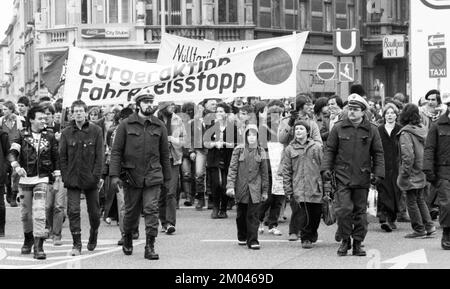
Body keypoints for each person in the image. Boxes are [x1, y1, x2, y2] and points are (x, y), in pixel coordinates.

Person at [109, 89, 171, 260]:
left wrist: (167, 178)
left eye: (151, 102)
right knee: (130, 211)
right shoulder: (125, 125)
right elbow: (116, 152)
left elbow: (165, 154)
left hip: (153, 174)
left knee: (151, 209)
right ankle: (127, 236)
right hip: (131, 175)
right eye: (146, 102)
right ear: (138, 105)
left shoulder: (159, 125)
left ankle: (150, 245)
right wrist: (114, 176)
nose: (149, 105)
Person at [322, 94, 385, 257]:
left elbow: (378, 153)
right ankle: (345, 240)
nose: (351, 112)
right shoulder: (338, 127)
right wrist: (326, 168)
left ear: (363, 112)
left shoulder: (372, 129)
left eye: (355, 109)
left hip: (362, 176)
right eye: (350, 109)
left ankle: (357, 243)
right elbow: (330, 150)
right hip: (342, 176)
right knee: (343, 210)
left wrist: (378, 173)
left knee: (360, 212)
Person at [9, 104, 59, 260]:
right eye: (40, 118)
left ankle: (39, 246)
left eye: (45, 118)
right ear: (31, 120)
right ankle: (28, 239)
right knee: (25, 215)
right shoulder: (21, 134)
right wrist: (16, 166)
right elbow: (12, 153)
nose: (44, 120)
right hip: (24, 180)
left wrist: (56, 177)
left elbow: (56, 158)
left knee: (39, 211)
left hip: (42, 179)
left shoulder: (49, 136)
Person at [60, 100, 104, 256]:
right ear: (72, 113)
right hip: (72, 178)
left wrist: (96, 176)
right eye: (75, 111)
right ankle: (76, 244)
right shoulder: (66, 132)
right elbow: (62, 157)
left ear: (86, 113)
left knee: (94, 212)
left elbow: (100, 157)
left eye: (81, 110)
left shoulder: (96, 130)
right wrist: (65, 176)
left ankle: (94, 233)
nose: (78, 113)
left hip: (90, 178)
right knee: (73, 211)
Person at [226, 124, 269, 250]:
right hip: (241, 187)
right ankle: (242, 235)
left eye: (254, 135)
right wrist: (230, 185)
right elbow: (233, 168)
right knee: (241, 215)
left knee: (253, 214)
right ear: (245, 136)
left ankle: (253, 240)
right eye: (249, 135)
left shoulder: (261, 151)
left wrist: (265, 190)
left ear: (258, 136)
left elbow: (264, 173)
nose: (251, 137)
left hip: (255, 188)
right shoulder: (238, 150)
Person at [283, 120, 323, 249]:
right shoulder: (290, 149)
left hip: (315, 187)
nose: (298, 131)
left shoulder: (316, 147)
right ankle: (305, 238)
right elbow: (287, 171)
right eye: (297, 129)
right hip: (299, 188)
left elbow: (324, 168)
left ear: (307, 132)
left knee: (315, 214)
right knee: (303, 215)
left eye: (301, 129)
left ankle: (312, 231)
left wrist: (327, 187)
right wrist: (288, 190)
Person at [397, 104, 436, 239]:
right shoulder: (423, 129)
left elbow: (408, 156)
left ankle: (419, 229)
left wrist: (404, 174)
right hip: (422, 169)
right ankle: (429, 226)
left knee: (411, 200)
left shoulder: (406, 133)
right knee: (420, 199)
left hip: (412, 171)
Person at [424, 94, 450, 250]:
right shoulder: (437, 125)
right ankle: (447, 232)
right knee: (447, 203)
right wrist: (429, 170)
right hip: (444, 171)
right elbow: (429, 149)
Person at [157, 101, 186, 234]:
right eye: (170, 104)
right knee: (161, 193)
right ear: (163, 106)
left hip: (173, 160)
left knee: (170, 192)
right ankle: (163, 222)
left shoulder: (177, 119)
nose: (173, 107)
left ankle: (170, 223)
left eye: (174, 104)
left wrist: (173, 140)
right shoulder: (154, 119)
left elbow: (184, 139)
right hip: (156, 161)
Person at [204, 102, 237, 219]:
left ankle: (223, 208)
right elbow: (205, 143)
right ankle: (215, 207)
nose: (218, 113)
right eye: (217, 111)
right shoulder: (211, 125)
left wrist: (225, 143)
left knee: (225, 185)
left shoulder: (232, 126)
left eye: (221, 111)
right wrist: (214, 144)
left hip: (228, 158)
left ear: (226, 113)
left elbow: (236, 144)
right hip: (214, 158)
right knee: (216, 184)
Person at [376, 103, 402, 232]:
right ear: (384, 115)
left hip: (397, 166)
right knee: (383, 190)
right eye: (387, 113)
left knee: (395, 191)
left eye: (392, 113)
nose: (390, 115)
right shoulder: (379, 130)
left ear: (396, 115)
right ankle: (384, 217)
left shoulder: (400, 129)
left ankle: (392, 218)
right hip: (383, 165)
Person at [1, 101, 26, 208]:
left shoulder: (20, 120)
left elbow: (22, 134)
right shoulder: (1, 120)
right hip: (5, 149)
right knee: (7, 171)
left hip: (16, 149)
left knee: (15, 173)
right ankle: (9, 190)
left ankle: (14, 195)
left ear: (11, 110)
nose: (3, 111)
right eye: (3, 109)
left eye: (5, 109)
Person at [0, 127, 9, 237]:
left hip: (0, 174)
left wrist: (4, 169)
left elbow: (9, 154)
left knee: (0, 205)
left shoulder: (2, 135)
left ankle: (1, 228)